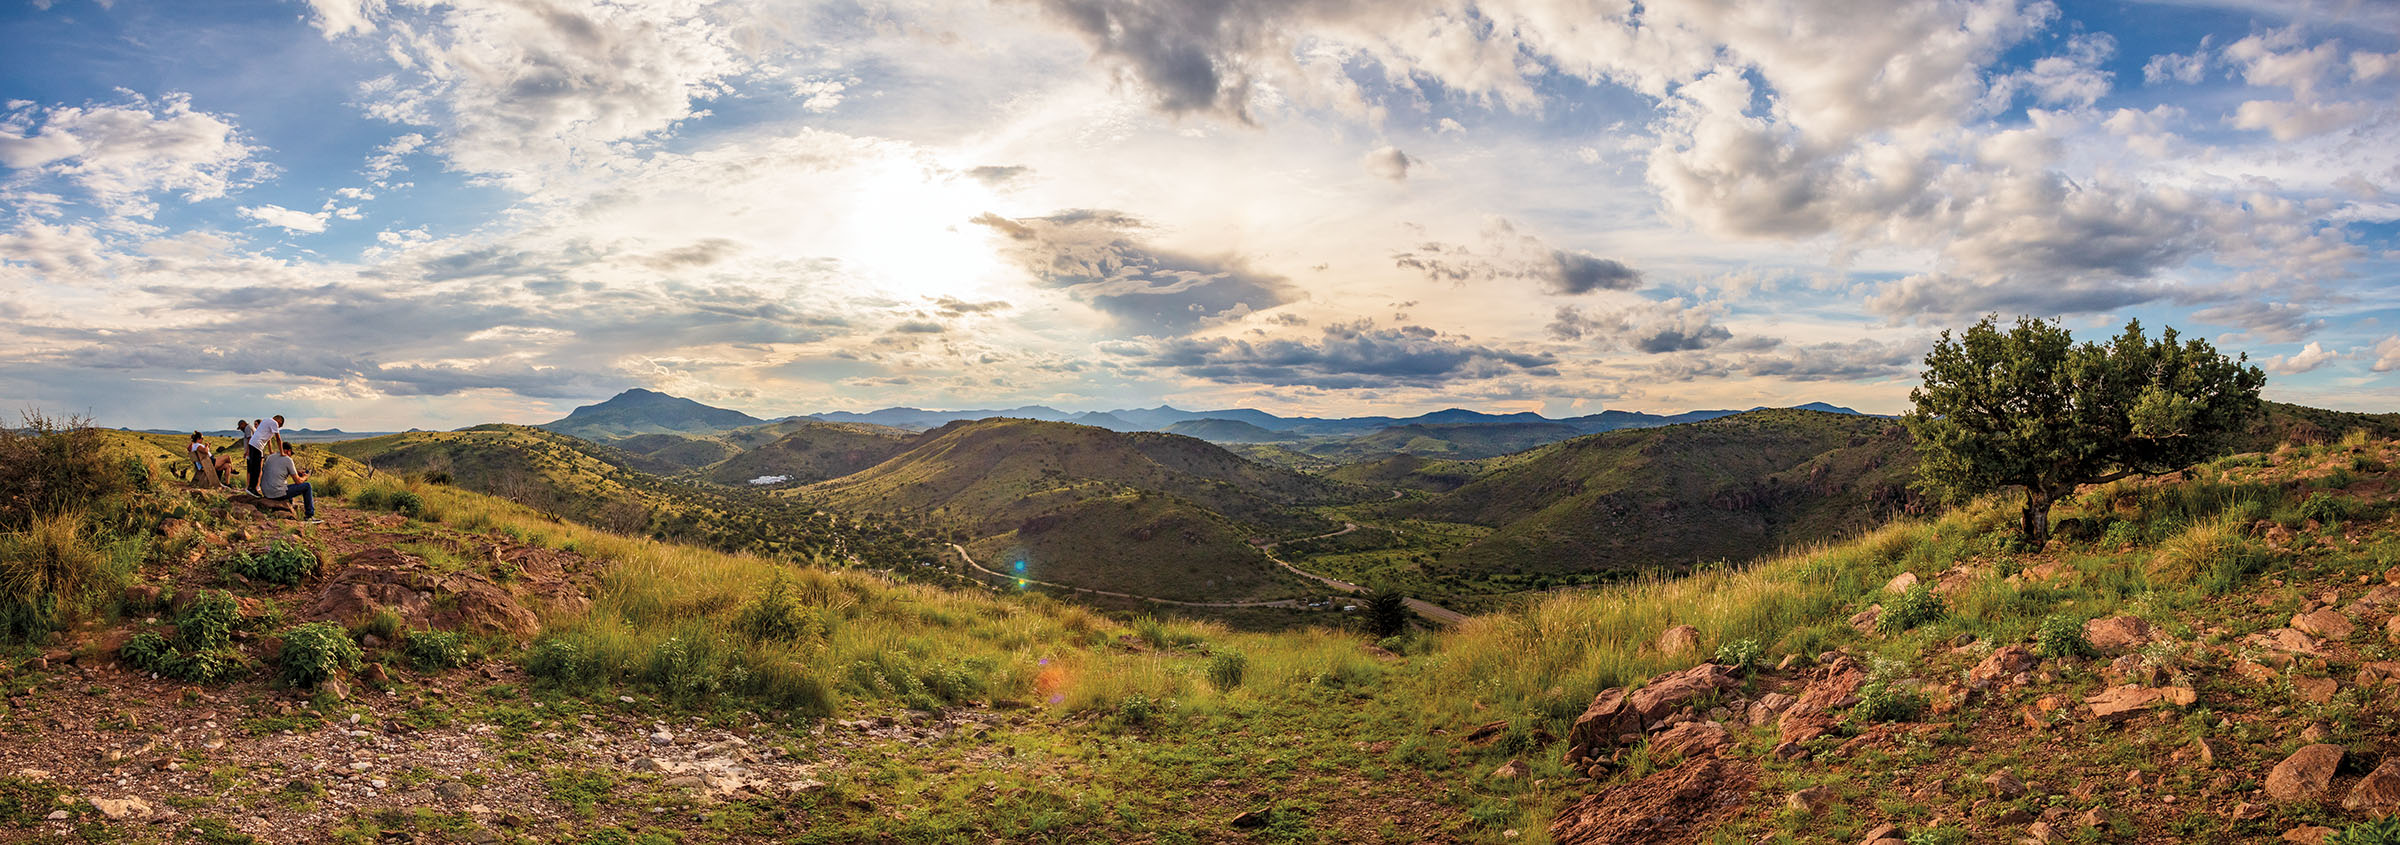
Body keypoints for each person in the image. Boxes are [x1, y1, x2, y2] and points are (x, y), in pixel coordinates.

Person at [259, 442, 319, 523]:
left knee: (285, 485)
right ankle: (309, 516)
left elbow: (279, 470)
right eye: (291, 453)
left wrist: (297, 472)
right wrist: (305, 477)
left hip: (266, 492)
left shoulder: (270, 457)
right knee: (307, 486)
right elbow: (298, 481)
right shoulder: (287, 459)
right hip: (276, 493)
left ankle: (289, 506)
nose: (291, 456)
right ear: (288, 451)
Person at [238, 419, 261, 495]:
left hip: (252, 452)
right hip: (254, 451)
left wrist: (247, 452)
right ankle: (252, 487)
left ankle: (249, 487)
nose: (241, 429)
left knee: (250, 470)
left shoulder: (247, 428)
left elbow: (249, 440)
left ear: (242, 424)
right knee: (253, 470)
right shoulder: (250, 428)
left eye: (240, 427)